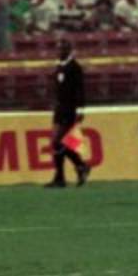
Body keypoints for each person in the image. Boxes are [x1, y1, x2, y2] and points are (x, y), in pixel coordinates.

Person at [46, 40, 91, 189]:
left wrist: (80, 110)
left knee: (58, 142)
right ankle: (72, 171)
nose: (58, 52)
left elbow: (80, 90)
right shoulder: (59, 65)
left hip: (69, 109)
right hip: (59, 109)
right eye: (57, 49)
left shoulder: (74, 67)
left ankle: (75, 169)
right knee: (58, 143)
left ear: (69, 50)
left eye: (62, 49)